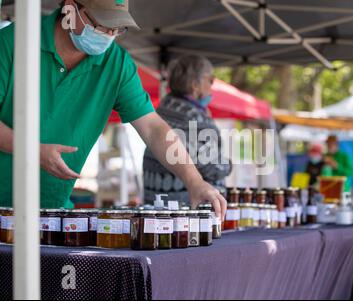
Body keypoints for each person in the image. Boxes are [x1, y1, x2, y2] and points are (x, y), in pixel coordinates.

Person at [0, 0, 226, 218]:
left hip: (52, 212)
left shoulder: (116, 64)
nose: (108, 34)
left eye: (117, 28)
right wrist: (31, 150)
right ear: (70, 8)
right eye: (101, 24)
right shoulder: (12, 42)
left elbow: (153, 128)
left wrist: (194, 181)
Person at [143, 55, 232, 204]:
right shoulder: (193, 116)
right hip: (185, 206)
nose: (212, 86)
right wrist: (228, 165)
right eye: (210, 80)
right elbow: (209, 165)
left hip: (155, 201)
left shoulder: (163, 107)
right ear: (195, 85)